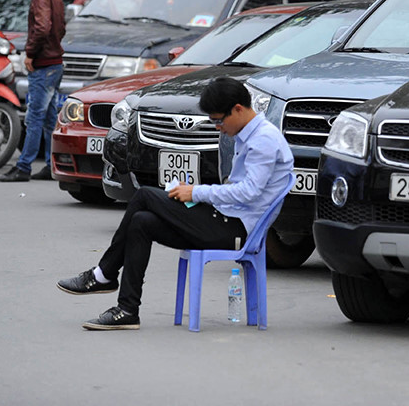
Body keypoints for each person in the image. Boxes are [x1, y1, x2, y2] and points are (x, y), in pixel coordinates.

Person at [57, 77, 294, 330]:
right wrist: (191, 193)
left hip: (235, 230)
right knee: (141, 222)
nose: (217, 128)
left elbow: (249, 192)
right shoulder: (248, 134)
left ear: (238, 109)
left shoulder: (264, 140)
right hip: (222, 218)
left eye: (218, 120)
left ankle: (103, 275)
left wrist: (196, 193)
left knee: (144, 196)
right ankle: (127, 310)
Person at [0, 0, 65, 182]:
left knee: (34, 118)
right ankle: (50, 164)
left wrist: (31, 53)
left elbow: (43, 28)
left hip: (44, 65)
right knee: (48, 118)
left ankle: (23, 166)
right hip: (55, 63)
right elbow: (60, 28)